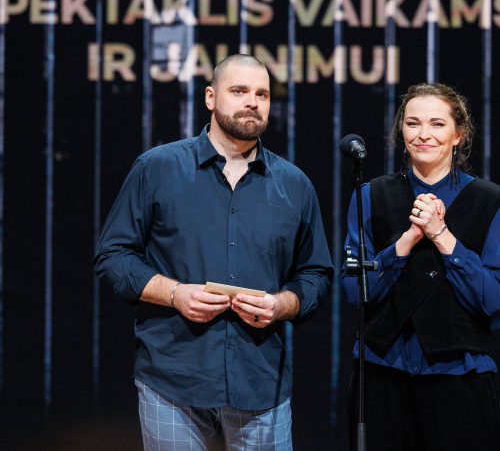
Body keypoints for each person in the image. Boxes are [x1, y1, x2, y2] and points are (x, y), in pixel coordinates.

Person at [94, 54, 333, 451]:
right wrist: (175, 294)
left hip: (261, 384)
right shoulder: (157, 168)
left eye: (262, 94)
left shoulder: (295, 185)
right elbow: (114, 256)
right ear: (210, 97)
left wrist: (280, 304)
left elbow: (315, 275)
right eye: (239, 91)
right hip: (173, 378)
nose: (252, 102)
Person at [341, 83, 500, 451]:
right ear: (401, 132)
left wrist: (441, 235)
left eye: (437, 124)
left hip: (460, 378)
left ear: (458, 134)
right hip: (382, 377)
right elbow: (354, 291)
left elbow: (491, 300)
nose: (423, 134)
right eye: (412, 124)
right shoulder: (370, 195)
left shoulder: (489, 200)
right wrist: (407, 240)